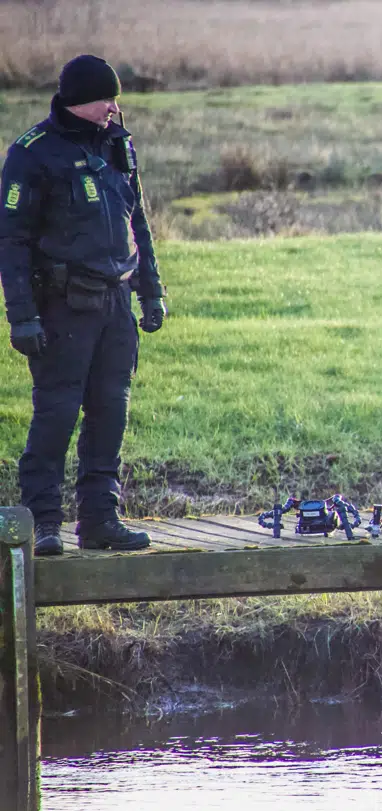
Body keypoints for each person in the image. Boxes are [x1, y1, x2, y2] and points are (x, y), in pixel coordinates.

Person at [1, 55, 168, 556]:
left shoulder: (120, 146)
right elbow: (11, 241)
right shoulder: (33, 154)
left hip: (117, 303)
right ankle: (42, 524)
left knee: (110, 413)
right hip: (64, 306)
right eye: (106, 99)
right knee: (56, 413)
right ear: (79, 101)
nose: (114, 108)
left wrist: (152, 289)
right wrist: (23, 316)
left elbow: (138, 220)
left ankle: (99, 520)